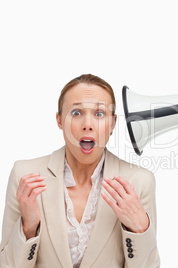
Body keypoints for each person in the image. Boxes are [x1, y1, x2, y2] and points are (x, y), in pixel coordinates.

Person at [0, 74, 160, 268]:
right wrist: (28, 228)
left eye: (99, 114)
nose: (87, 124)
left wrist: (139, 229)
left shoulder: (139, 181)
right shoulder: (25, 175)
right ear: (59, 120)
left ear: (113, 123)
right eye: (76, 113)